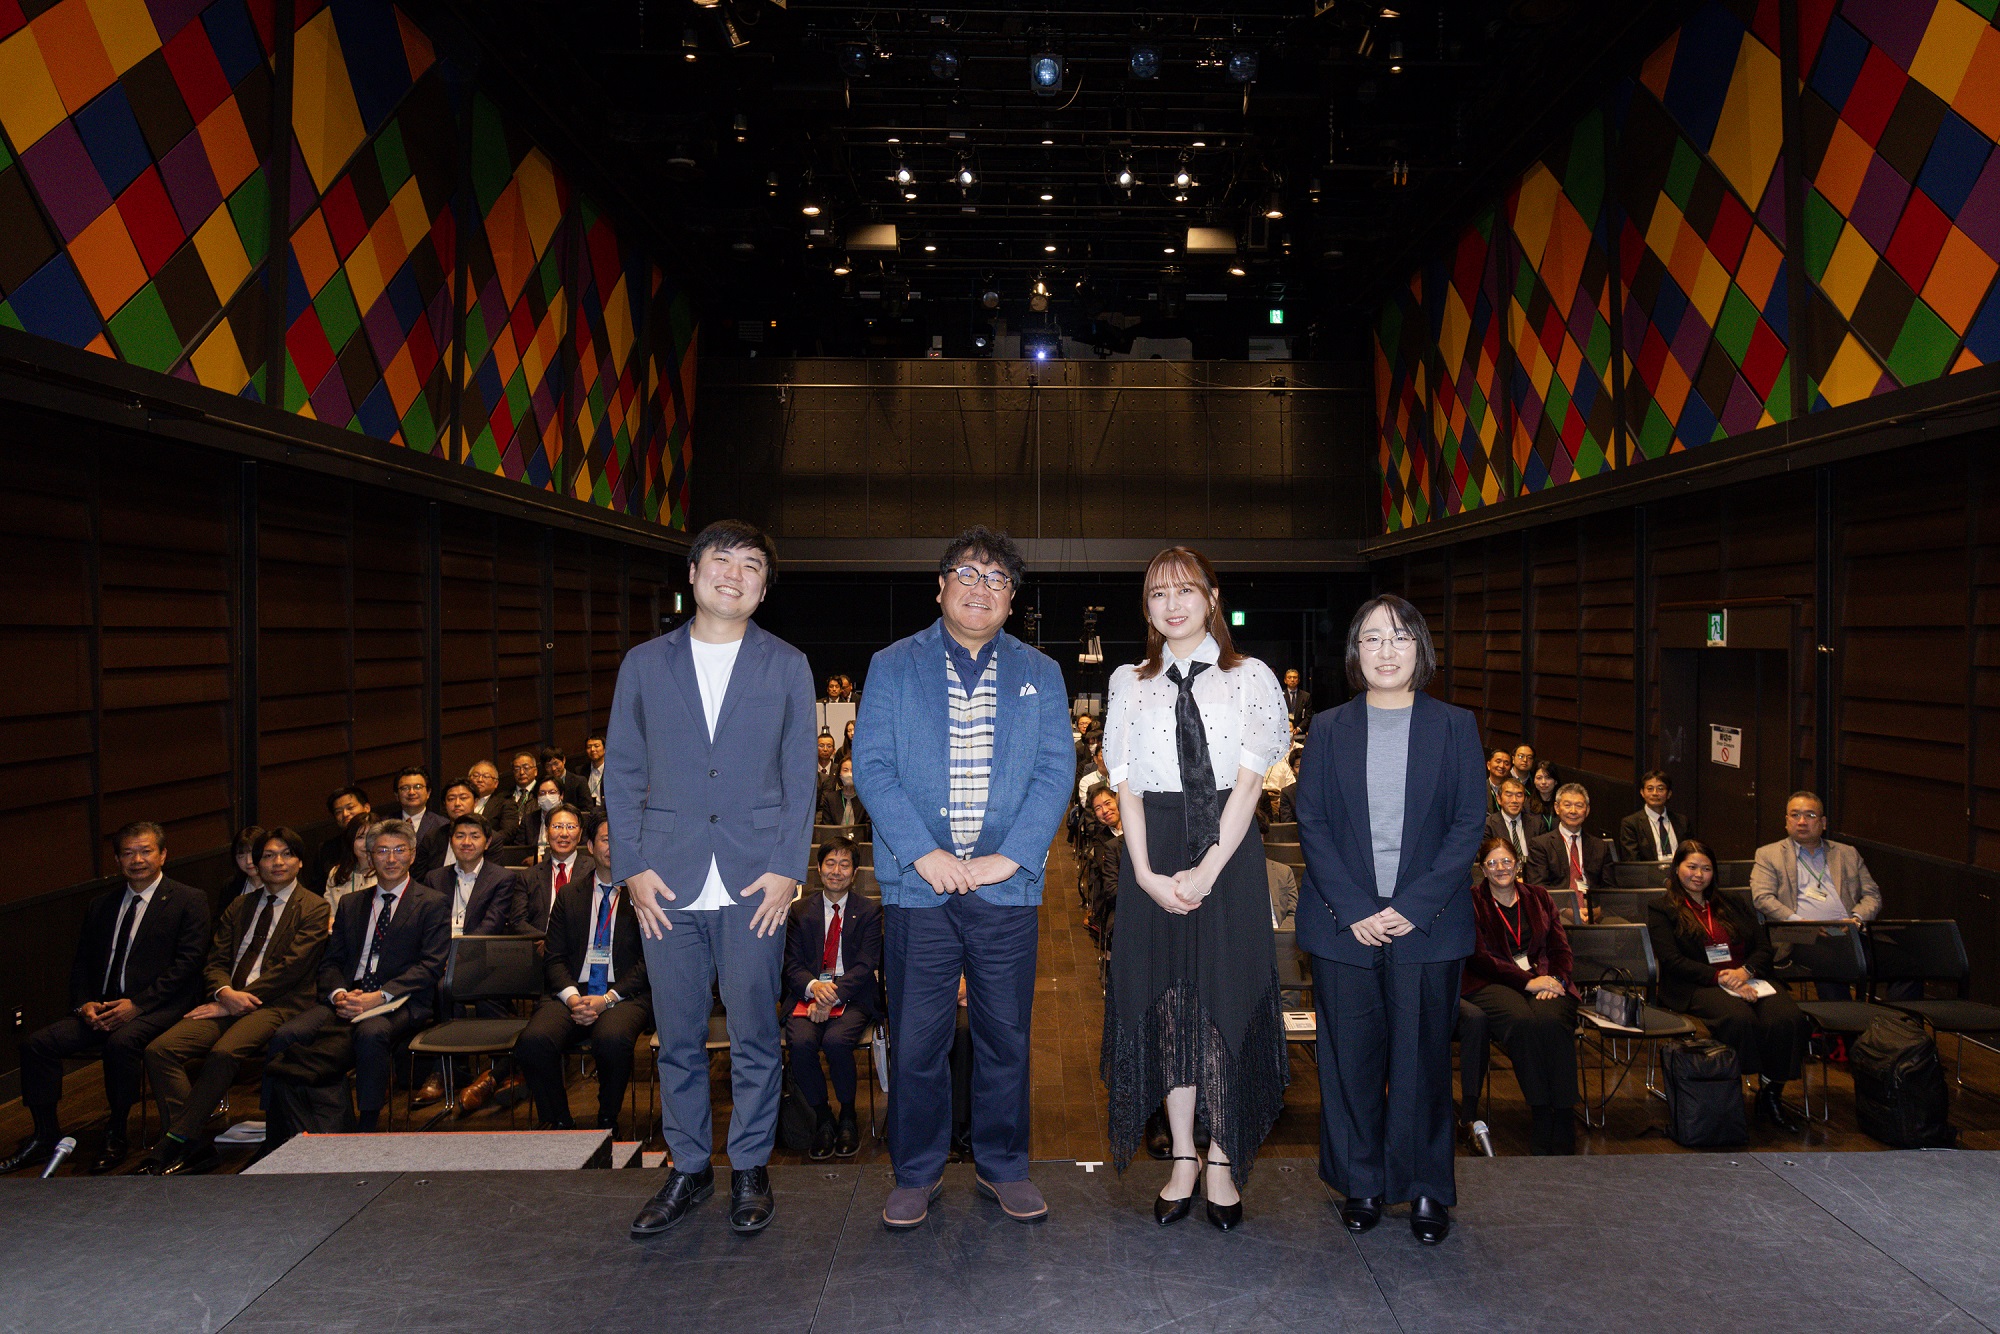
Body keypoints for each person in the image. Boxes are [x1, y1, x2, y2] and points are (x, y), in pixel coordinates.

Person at [852, 526, 1073, 1231]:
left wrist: (1012, 856)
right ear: (941, 585)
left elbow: (1053, 771)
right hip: (921, 887)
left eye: (998, 580)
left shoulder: (1041, 670)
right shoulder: (892, 664)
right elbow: (874, 767)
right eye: (968, 574)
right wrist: (924, 853)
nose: (982, 589)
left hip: (1005, 887)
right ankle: (915, 1172)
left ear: (1012, 602)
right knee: (918, 1041)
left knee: (1005, 1036)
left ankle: (1004, 1164)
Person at [611, 519, 815, 1239]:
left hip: (754, 878)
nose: (735, 574)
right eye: (721, 561)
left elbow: (799, 778)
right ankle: (690, 1169)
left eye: (752, 565)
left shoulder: (788, 664)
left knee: (758, 1032)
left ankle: (751, 1165)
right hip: (663, 878)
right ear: (693, 573)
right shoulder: (643, 662)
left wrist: (790, 868)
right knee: (677, 1037)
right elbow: (625, 771)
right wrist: (632, 865)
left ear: (764, 588)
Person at [1099, 546, 1290, 1232]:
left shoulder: (1251, 678)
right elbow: (1124, 784)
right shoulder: (1129, 680)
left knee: (1220, 1004)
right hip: (1153, 849)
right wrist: (1147, 874)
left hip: (1228, 854)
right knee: (1170, 1009)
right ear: (1147, 608)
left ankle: (1220, 1157)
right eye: (1157, 594)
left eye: (1185, 590)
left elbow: (1247, 786)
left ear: (1212, 597)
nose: (1172, 604)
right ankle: (1180, 1155)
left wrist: (1208, 869)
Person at [1294, 594, 1485, 1245]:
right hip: (1343, 927)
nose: (1385, 650)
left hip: (1427, 928)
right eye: (1372, 638)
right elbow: (1311, 824)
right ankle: (1363, 1181)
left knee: (1424, 1062)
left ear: (1420, 650)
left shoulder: (1455, 726)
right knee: (1348, 1062)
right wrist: (1356, 911)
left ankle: (1427, 1187)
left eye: (1399, 638)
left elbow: (1468, 827)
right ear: (1356, 652)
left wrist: (1408, 908)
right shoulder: (1328, 728)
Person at [1, 823, 210, 1176]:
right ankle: (44, 1135)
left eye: (145, 851)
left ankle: (116, 1131)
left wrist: (137, 1005)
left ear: (163, 854)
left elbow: (188, 966)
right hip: (102, 1009)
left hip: (160, 1007)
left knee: (122, 1043)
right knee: (37, 1045)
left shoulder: (189, 899)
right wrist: (84, 1004)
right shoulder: (102, 904)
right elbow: (82, 962)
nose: (137, 859)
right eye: (128, 853)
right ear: (117, 860)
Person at [139, 828, 331, 1176]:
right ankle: (194, 1144)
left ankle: (175, 1141)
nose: (278, 862)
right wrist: (224, 994)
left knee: (224, 1053)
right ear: (255, 864)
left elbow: (293, 967)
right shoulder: (239, 905)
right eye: (269, 855)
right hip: (227, 999)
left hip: (278, 1003)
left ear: (300, 862)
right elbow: (215, 959)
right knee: (161, 1049)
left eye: (287, 854)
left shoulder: (315, 907)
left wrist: (239, 1000)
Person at [264, 820, 449, 1132]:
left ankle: (366, 1124)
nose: (391, 859)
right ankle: (279, 1126)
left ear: (412, 855)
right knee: (287, 1034)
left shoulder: (431, 902)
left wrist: (377, 997)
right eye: (382, 852)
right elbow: (331, 962)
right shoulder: (352, 903)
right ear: (371, 857)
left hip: (399, 1000)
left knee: (370, 1033)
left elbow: (430, 966)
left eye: (399, 851)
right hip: (347, 996)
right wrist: (338, 994)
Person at [1649, 841, 1810, 1131]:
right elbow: (1672, 960)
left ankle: (1771, 1091)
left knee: (1788, 1018)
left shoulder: (1733, 902)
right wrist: (1722, 978)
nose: (1699, 874)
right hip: (1701, 983)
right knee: (1739, 1019)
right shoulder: (1662, 908)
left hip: (1748, 978)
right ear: (1677, 869)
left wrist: (1744, 971)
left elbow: (1763, 946)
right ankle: (1730, 1092)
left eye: (1707, 868)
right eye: (1692, 867)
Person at [515, 812, 653, 1133]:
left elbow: (651, 962)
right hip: (572, 992)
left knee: (612, 1038)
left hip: (624, 994)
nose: (613, 847)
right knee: (533, 1041)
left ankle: (607, 1121)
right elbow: (554, 957)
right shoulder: (569, 895)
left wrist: (607, 999)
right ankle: (559, 1121)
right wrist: (573, 997)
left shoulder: (644, 894)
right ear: (590, 846)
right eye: (606, 839)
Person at [1463, 836, 1578, 1155]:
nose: (1501, 868)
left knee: (1553, 1021)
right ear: (1483, 870)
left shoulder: (1539, 896)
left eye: (1506, 861)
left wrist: (1554, 978)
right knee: (1522, 1022)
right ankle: (1541, 1113)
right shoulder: (1471, 901)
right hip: (1490, 982)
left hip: (1546, 979)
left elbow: (1560, 948)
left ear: (1518, 864)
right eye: (1492, 863)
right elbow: (1479, 957)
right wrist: (1529, 982)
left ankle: (1565, 1114)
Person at [784, 838, 884, 1159]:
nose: (836, 871)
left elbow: (867, 963)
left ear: (854, 873)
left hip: (852, 995)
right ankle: (823, 1116)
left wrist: (832, 997)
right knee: (799, 1041)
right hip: (811, 992)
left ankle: (848, 1115)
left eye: (844, 865)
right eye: (830, 863)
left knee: (837, 1041)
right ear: (818, 868)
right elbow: (791, 964)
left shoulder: (869, 911)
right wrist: (815, 989)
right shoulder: (799, 912)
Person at [1750, 791, 1894, 1002]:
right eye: (1795, 815)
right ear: (1786, 821)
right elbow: (1762, 898)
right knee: (1832, 963)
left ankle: (1897, 1026)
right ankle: (1844, 1028)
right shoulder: (1768, 855)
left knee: (1905, 963)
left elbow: (1872, 895)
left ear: (1823, 822)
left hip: (1850, 932)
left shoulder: (1847, 853)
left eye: (1810, 815)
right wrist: (1802, 924)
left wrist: (1856, 919)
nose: (1801, 822)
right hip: (1801, 937)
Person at [1525, 783, 1616, 923]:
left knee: (1627, 930)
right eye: (1567, 805)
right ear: (1557, 808)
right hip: (1558, 910)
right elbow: (1538, 887)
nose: (1573, 811)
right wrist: (1567, 911)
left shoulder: (1600, 846)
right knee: (1565, 929)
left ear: (1587, 810)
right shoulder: (1541, 844)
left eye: (1579, 806)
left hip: (1594, 910)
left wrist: (1598, 910)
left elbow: (1610, 888)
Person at [520, 805, 591, 934]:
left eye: (570, 827)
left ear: (580, 834)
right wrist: (545, 941)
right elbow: (518, 921)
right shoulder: (528, 877)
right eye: (557, 827)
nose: (564, 834)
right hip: (540, 946)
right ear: (547, 833)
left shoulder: (593, 870)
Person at [1618, 770, 1692, 862]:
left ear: (1669, 794)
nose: (1655, 793)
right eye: (1650, 789)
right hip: (1648, 874)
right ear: (1642, 792)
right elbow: (1632, 861)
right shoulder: (1631, 823)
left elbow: (1691, 854)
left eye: (1660, 789)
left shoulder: (1682, 821)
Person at [1081, 785, 1124, 937]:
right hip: (1116, 898)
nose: (1105, 811)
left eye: (1108, 803)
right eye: (1098, 808)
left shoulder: (1138, 827)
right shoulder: (1100, 840)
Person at [416, 779, 479, 878]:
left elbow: (491, 880)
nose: (457, 803)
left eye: (463, 798)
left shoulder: (489, 838)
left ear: (475, 802)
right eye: (451, 799)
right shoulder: (432, 837)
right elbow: (419, 877)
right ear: (445, 804)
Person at [312, 786, 371, 887]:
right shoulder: (327, 850)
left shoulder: (383, 837)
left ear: (366, 808)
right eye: (338, 812)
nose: (345, 814)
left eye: (350, 808)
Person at [322, 812, 377, 912]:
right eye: (360, 837)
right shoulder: (337, 873)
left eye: (371, 837)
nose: (366, 843)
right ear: (350, 840)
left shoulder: (388, 871)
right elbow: (329, 914)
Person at [508, 777, 568, 859]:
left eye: (552, 792)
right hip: (533, 866)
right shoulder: (528, 819)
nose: (547, 796)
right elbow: (519, 850)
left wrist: (542, 859)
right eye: (542, 793)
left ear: (561, 795)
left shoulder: (572, 818)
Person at [1484, 778, 1534, 865]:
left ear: (1525, 800)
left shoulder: (1536, 824)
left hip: (1531, 875)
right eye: (1509, 795)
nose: (1514, 800)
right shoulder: (1488, 825)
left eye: (1519, 795)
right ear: (1499, 799)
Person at [468, 760, 518, 839]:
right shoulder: (461, 801)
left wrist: (482, 842)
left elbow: (508, 832)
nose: (480, 780)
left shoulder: (506, 803)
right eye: (476, 775)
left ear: (496, 783)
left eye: (486, 776)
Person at [223, 825, 268, 902]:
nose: (248, 861)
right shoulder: (231, 886)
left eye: (252, 853)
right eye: (241, 856)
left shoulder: (279, 881)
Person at [1526, 763, 1560, 834]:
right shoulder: (1526, 805)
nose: (1543, 782)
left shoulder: (1562, 805)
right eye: (1539, 778)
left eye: (1548, 778)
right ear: (1534, 781)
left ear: (1556, 781)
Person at [507, 751, 541, 816]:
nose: (521, 772)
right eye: (517, 769)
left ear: (535, 771)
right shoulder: (505, 797)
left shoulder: (543, 792)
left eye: (526, 768)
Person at [1281, 667, 1313, 736]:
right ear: (1285, 680)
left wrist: (1299, 728)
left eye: (1295, 677)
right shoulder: (1280, 695)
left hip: (1300, 733)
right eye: (1289, 677)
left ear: (1298, 680)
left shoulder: (1306, 696)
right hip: (1283, 733)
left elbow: (1308, 716)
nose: (1292, 680)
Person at [581, 735, 608, 806]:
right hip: (586, 812)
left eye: (596, 746)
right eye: (589, 747)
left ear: (605, 749)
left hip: (605, 812)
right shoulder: (580, 771)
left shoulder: (612, 771)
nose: (592, 749)